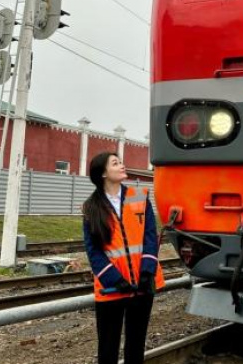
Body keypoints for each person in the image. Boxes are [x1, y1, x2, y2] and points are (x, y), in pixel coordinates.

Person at [82, 152, 165, 364]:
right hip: (111, 289)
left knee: (136, 346)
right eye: (115, 163)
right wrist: (114, 280)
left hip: (142, 285)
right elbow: (94, 251)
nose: (122, 165)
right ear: (102, 173)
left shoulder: (140, 196)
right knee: (108, 349)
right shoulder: (91, 208)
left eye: (121, 162)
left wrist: (147, 272)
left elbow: (150, 238)